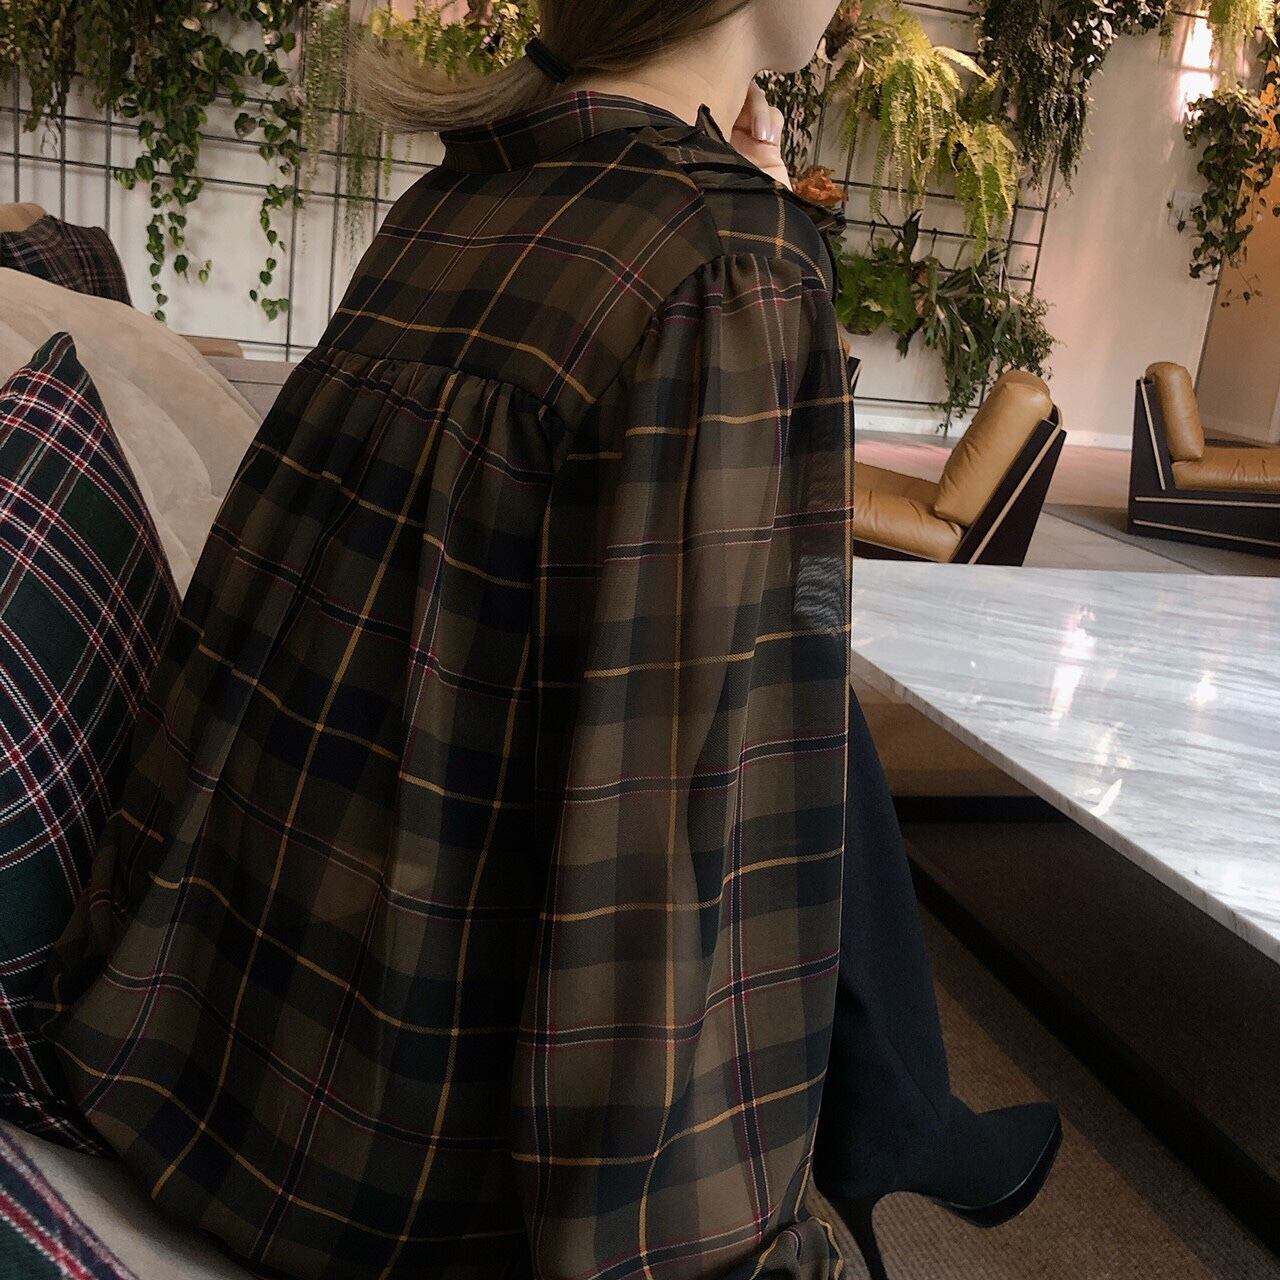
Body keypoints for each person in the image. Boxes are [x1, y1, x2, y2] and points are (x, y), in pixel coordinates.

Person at [32, 4, 1059, 1280]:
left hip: (229, 1049)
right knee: (788, 692)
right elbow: (668, 812)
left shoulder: (463, 199)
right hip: (403, 1154)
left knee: (790, 670)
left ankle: (896, 1113)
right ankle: (891, 1117)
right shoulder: (727, 259)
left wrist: (738, 207)